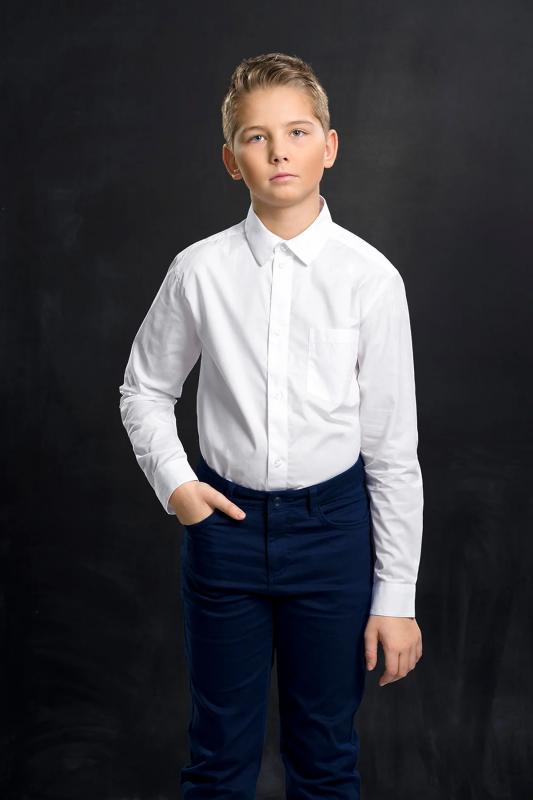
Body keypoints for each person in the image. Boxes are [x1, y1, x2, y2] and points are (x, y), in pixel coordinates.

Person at [119, 51, 424, 800]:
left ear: (330, 146)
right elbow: (144, 390)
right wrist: (178, 488)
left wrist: (396, 597)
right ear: (232, 160)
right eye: (256, 137)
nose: (279, 151)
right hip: (224, 529)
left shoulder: (370, 278)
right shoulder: (198, 271)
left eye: (296, 131)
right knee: (218, 756)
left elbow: (392, 451)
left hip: (333, 535)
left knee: (324, 756)